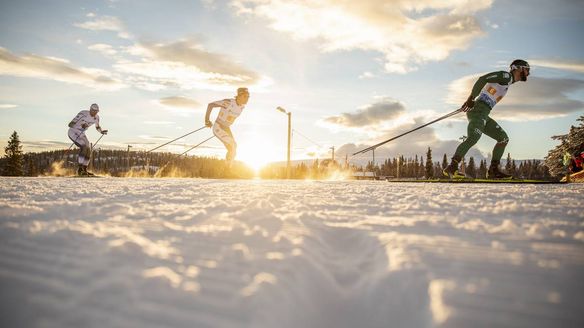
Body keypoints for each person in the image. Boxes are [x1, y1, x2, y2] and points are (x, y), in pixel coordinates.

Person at [443, 59, 530, 179]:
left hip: (484, 113)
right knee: (473, 138)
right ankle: (452, 168)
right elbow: (482, 79)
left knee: (503, 138)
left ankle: (493, 171)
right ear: (518, 68)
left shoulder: (508, 82)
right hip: (478, 111)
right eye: (527, 70)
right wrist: (471, 98)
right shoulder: (505, 76)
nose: (528, 73)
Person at [205, 87, 249, 168]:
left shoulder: (242, 106)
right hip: (218, 127)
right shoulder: (228, 102)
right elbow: (210, 105)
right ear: (239, 95)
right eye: (246, 96)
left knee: (233, 149)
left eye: (248, 96)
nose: (247, 98)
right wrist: (207, 121)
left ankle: (227, 169)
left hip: (226, 128)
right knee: (232, 146)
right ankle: (227, 171)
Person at [68, 103, 108, 176]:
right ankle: (80, 170)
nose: (95, 113)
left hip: (81, 133)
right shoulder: (83, 113)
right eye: (93, 111)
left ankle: (84, 169)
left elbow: (97, 127)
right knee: (84, 147)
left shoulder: (97, 117)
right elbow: (71, 123)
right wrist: (81, 124)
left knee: (89, 149)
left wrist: (101, 131)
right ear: (90, 109)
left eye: (96, 112)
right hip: (73, 131)